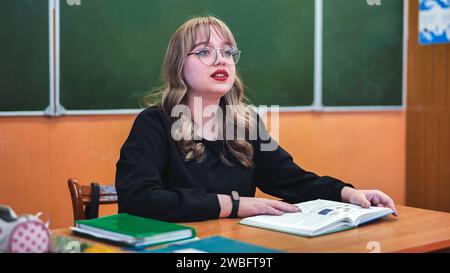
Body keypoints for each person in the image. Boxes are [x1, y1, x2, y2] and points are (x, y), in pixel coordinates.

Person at [115, 16, 398, 222]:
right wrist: (234, 205)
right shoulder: (155, 123)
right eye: (204, 51)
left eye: (228, 52)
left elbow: (293, 181)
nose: (221, 60)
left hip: (239, 249)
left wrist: (348, 193)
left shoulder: (245, 124)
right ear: (178, 65)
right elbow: (137, 199)